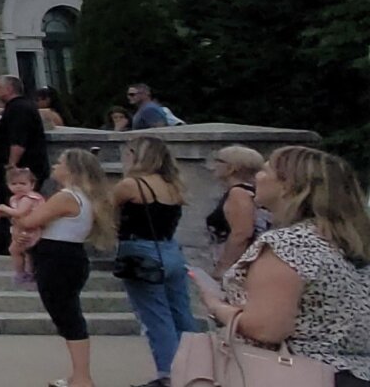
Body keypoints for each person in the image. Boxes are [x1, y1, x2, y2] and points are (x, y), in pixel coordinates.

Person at [191, 144, 370, 384]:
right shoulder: (350, 243)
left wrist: (215, 304)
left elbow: (267, 329)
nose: (257, 177)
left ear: (288, 185)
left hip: (300, 373)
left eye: (265, 170)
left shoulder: (288, 244)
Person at [0, 147, 114, 387]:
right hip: (66, 256)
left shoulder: (67, 197)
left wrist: (12, 212)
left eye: (59, 163)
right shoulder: (83, 196)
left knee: (67, 316)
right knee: (67, 314)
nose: (54, 167)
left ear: (71, 169)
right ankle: (79, 375)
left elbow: (30, 220)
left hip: (58, 259)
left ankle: (82, 377)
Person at [112, 136, 201, 379]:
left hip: (141, 251)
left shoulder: (132, 185)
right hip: (170, 249)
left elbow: (105, 209)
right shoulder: (173, 184)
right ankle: (196, 369)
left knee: (156, 316)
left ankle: (169, 374)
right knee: (181, 313)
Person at [0, 75, 47, 257]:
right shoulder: (14, 108)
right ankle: (3, 241)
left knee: (17, 205)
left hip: (23, 170)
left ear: (9, 89)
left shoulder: (20, 109)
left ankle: (7, 243)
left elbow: (18, 140)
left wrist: (12, 165)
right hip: (18, 168)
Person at [209, 144, 270, 275]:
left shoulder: (238, 193)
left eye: (219, 161)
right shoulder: (251, 191)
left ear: (232, 168)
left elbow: (241, 233)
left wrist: (224, 267)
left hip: (241, 265)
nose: (213, 166)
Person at [4, 168, 48, 283]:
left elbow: (20, 212)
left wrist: (4, 208)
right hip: (21, 227)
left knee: (15, 249)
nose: (18, 186)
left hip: (31, 229)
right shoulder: (15, 198)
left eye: (22, 183)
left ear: (32, 185)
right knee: (25, 252)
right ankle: (28, 272)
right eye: (14, 184)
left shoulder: (29, 198)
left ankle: (22, 273)